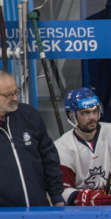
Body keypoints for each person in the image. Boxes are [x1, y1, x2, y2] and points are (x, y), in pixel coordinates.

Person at [54, 88, 111, 206]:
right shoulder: (61, 147)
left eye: (94, 111)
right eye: (85, 113)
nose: (92, 117)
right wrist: (88, 198)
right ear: (71, 115)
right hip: (85, 211)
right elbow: (62, 189)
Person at [0, 69, 63, 207]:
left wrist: (57, 196)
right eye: (9, 95)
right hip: (4, 214)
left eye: (16, 92)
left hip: (37, 208)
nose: (14, 98)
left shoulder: (29, 115)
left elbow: (49, 157)